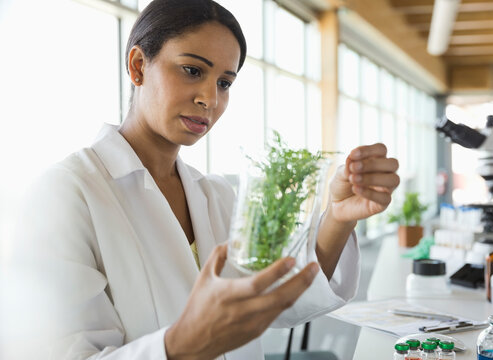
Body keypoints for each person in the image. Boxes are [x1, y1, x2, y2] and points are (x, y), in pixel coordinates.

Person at [9, 0, 400, 359]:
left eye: (224, 83)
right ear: (138, 66)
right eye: (192, 70)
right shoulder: (66, 194)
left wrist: (339, 216)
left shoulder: (215, 195)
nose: (210, 99)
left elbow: (274, 299)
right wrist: (184, 344)